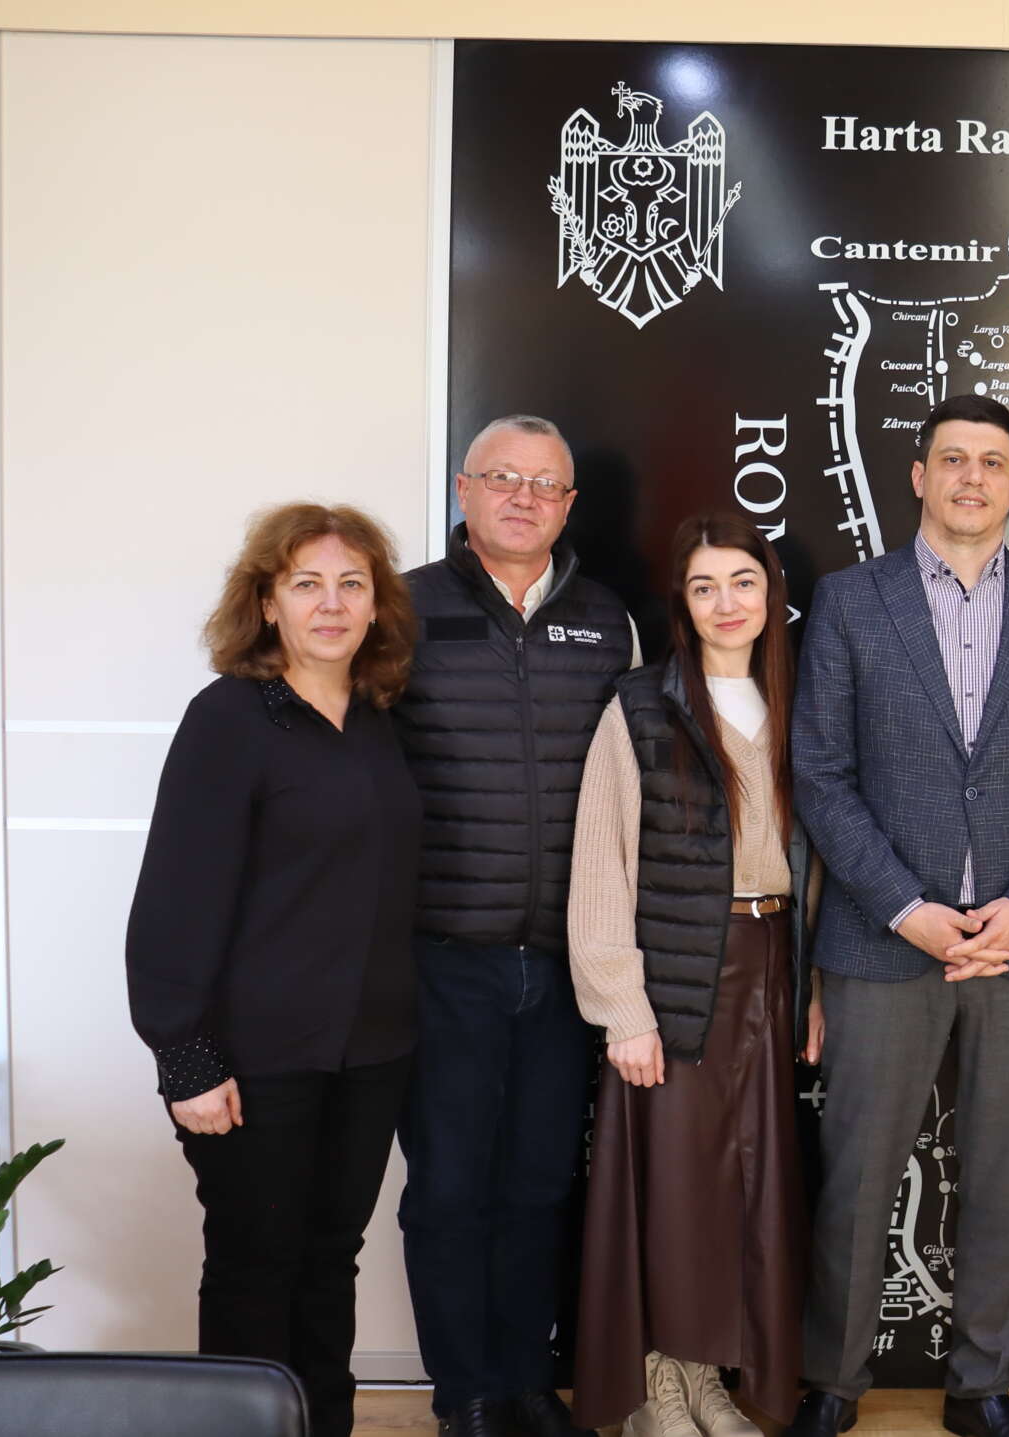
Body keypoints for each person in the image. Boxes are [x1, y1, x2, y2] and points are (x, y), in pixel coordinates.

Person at [789, 393, 1009, 1437]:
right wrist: (905, 909)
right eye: (953, 459)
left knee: (1006, 1170)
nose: (972, 477)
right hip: (881, 941)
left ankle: (980, 1386)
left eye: (992, 462)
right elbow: (821, 775)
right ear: (919, 476)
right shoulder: (850, 602)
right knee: (856, 1176)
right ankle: (833, 1383)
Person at [126, 503, 422, 1437]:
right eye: (306, 584)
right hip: (253, 1060)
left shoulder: (380, 719)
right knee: (256, 1268)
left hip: (371, 1052)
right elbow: (175, 897)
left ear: (375, 605)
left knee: (330, 1262)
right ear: (267, 602)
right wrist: (186, 1058)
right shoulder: (227, 720)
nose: (331, 604)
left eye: (351, 584)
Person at [395, 414, 638, 1437]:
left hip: (565, 963)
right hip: (440, 958)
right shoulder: (403, 609)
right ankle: (464, 1394)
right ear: (465, 489)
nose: (523, 498)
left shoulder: (608, 619)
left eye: (545, 485)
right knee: (449, 1186)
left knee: (540, 1184)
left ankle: (527, 1380)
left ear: (569, 505)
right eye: (503, 478)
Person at [566, 512, 823, 1436]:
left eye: (742, 582)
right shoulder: (641, 705)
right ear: (682, 599)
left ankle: (710, 1376)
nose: (726, 602)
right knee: (672, 1188)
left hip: (771, 964)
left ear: (770, 594)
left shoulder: (801, 702)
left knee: (746, 1191)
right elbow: (601, 859)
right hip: (675, 972)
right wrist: (622, 1006)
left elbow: (820, 861)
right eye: (705, 585)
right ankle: (656, 1386)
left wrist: (816, 986)